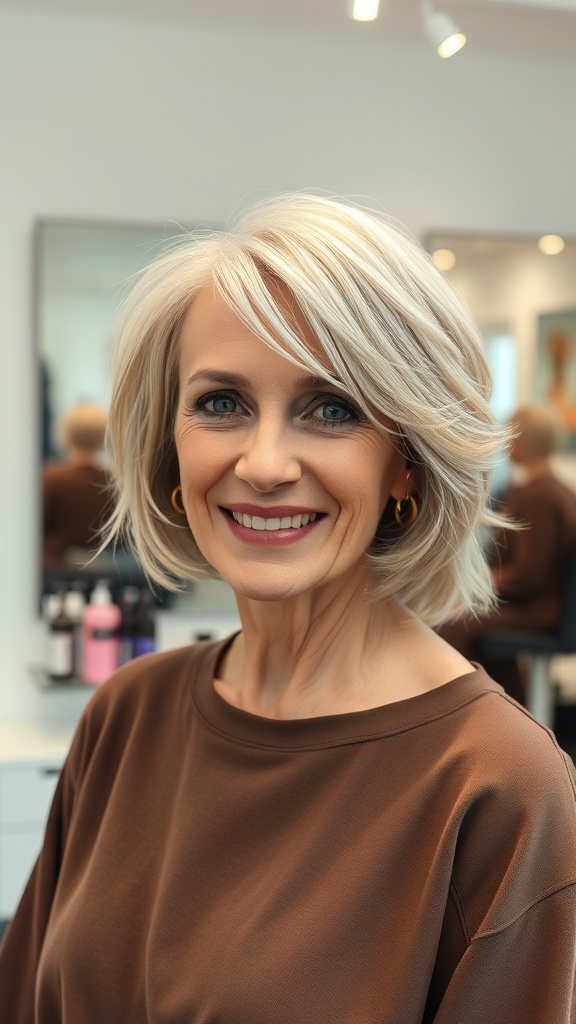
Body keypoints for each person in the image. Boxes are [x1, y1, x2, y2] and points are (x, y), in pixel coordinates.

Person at [1, 194, 575, 1023]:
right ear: (171, 442)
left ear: (405, 462)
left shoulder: (497, 785)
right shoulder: (126, 715)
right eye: (221, 403)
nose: (264, 463)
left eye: (331, 409)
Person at [439, 403, 576, 703]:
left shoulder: (540, 497)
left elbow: (528, 575)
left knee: (447, 623)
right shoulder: (556, 491)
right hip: (540, 605)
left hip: (537, 610)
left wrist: (473, 589)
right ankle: (509, 703)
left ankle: (462, 713)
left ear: (520, 442)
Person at [42, 400, 112, 569]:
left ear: (66, 434)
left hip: (55, 576)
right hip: (109, 575)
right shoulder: (115, 482)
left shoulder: (51, 479)